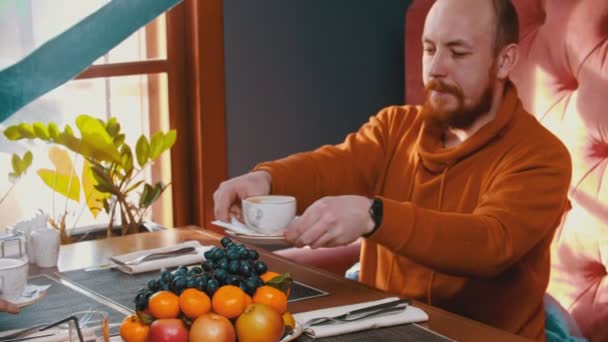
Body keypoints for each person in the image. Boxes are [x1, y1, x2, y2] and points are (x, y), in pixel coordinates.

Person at [213, 0, 572, 340]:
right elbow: (333, 165)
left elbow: (491, 243)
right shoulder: (396, 127)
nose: (435, 68)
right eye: (429, 49)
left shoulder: (541, 156)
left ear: (505, 60)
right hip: (381, 329)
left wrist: (375, 216)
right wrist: (267, 179)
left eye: (458, 52)